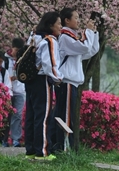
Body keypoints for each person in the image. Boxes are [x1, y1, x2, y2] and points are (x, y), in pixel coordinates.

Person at [51, 8, 99, 153]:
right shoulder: (65, 37)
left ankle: (62, 146)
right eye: (76, 18)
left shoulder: (71, 37)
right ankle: (64, 148)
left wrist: (94, 33)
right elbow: (84, 47)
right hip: (66, 82)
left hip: (71, 83)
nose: (78, 21)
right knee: (66, 116)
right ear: (67, 20)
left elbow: (90, 51)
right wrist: (88, 32)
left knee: (67, 114)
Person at [24, 11, 62, 160]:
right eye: (59, 23)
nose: (60, 27)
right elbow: (49, 64)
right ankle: (43, 151)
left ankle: (31, 150)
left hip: (30, 80)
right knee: (43, 115)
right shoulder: (50, 41)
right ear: (51, 25)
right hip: (42, 80)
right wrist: (58, 78)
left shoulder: (34, 37)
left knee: (31, 115)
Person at [8, 37, 27, 147]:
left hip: (20, 91)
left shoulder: (24, 60)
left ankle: (16, 138)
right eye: (15, 49)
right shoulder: (6, 60)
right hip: (8, 91)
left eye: (19, 49)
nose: (17, 52)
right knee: (6, 115)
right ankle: (4, 138)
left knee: (17, 114)